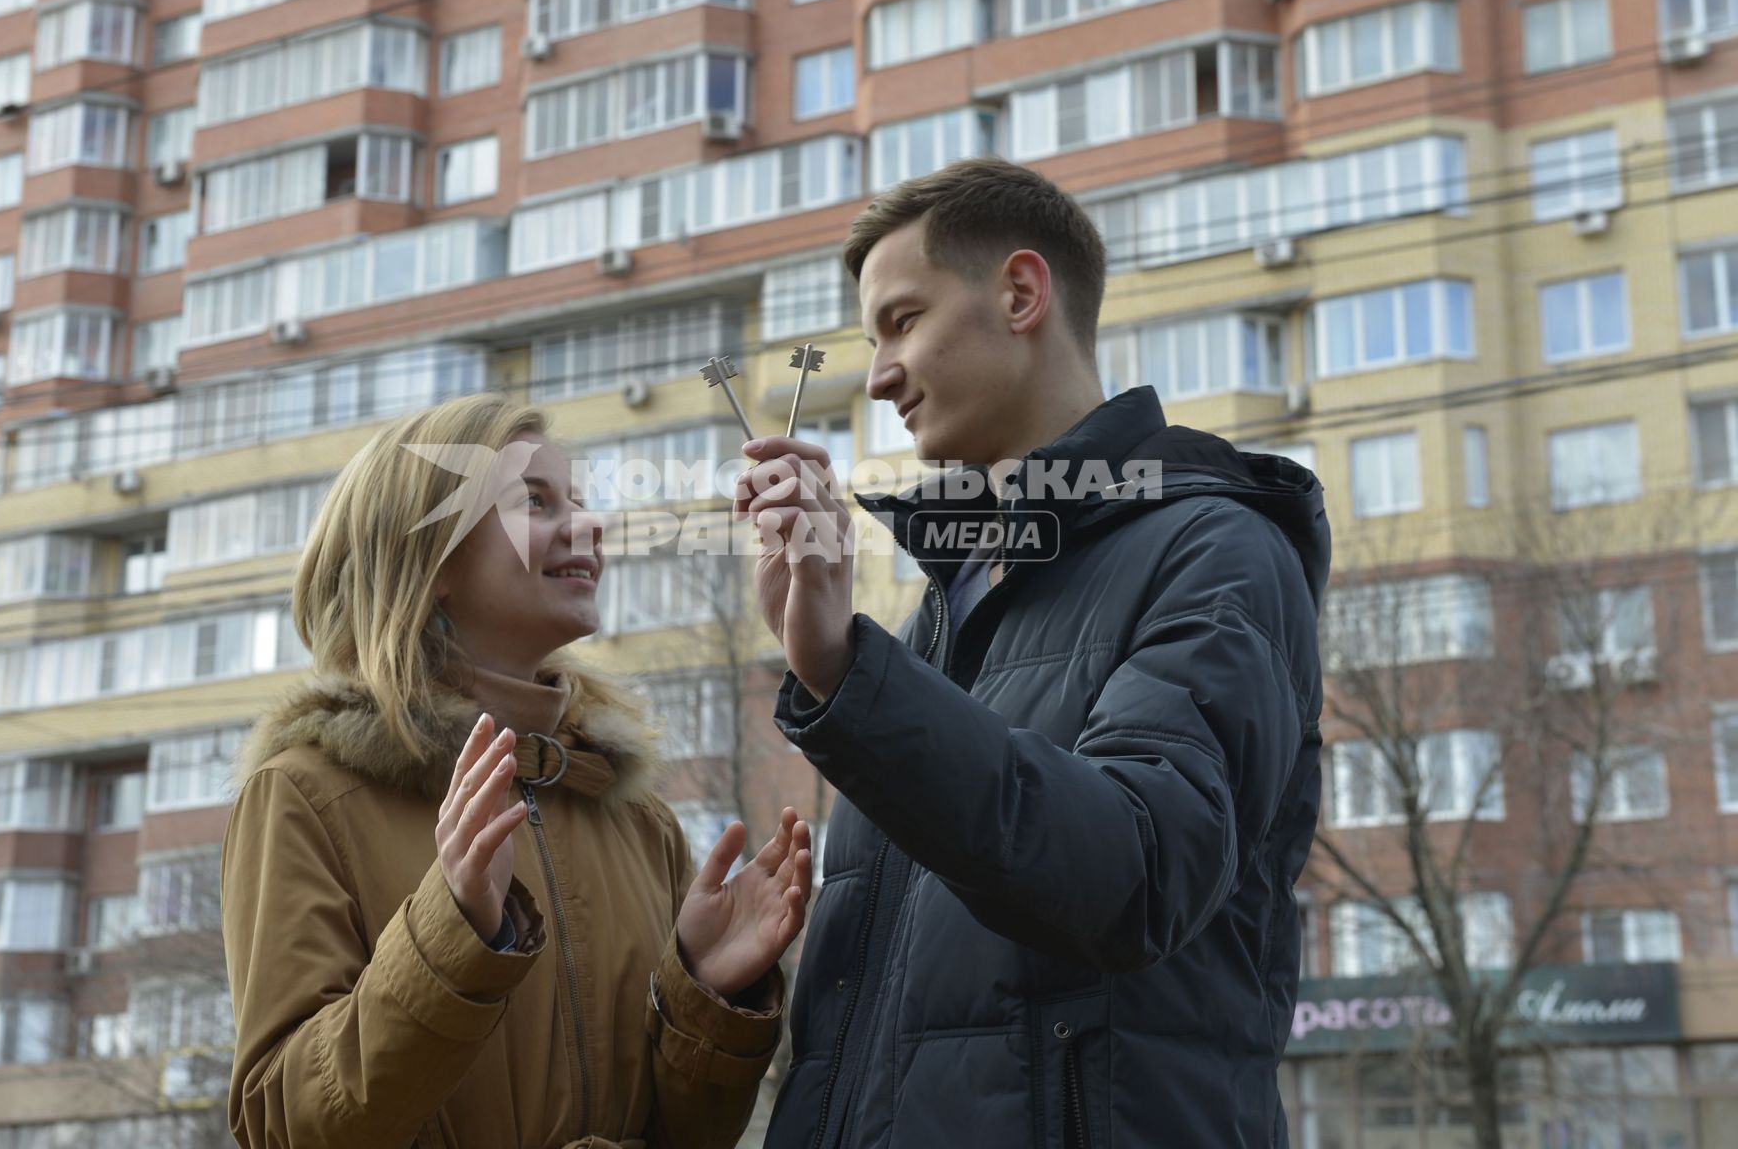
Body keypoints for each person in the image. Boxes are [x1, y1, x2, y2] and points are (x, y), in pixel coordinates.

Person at [735, 157, 1329, 1148]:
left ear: (1018, 292)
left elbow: (1135, 872)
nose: (876, 373)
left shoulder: (1214, 551)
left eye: (900, 320)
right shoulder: (948, 605)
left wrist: (846, 674)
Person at [223, 394, 814, 1149]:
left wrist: (703, 994)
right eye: (534, 502)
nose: (589, 525)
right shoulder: (305, 794)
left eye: (579, 501)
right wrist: (451, 934)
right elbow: (283, 1126)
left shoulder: (635, 818)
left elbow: (686, 1136)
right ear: (429, 560)